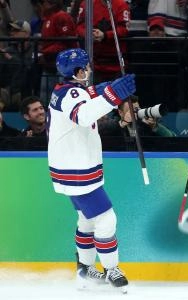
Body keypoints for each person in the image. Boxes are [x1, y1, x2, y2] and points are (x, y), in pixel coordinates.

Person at [47, 48, 136, 293]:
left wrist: (113, 86)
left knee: (87, 219)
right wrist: (114, 94)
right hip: (77, 170)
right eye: (85, 67)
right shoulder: (72, 94)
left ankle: (85, 269)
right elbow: (84, 115)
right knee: (107, 219)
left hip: (71, 167)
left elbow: (90, 93)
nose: (89, 70)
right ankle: (111, 269)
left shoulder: (66, 90)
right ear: (77, 72)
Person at [76, 0, 130, 83]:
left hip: (116, 63)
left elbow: (124, 29)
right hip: (93, 63)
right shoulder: (87, 4)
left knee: (116, 94)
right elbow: (79, 26)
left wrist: (106, 35)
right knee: (94, 93)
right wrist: (88, 34)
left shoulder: (121, 5)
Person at [38, 0, 78, 105]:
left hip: (62, 64)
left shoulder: (61, 16)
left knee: (62, 98)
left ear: (51, 3)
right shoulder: (47, 18)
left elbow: (67, 40)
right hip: (49, 63)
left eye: (43, 3)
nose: (41, 6)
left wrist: (45, 51)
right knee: (45, 99)